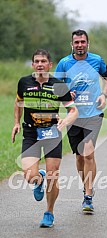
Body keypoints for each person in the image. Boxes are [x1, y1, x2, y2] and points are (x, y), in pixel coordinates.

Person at [11, 49, 78, 227]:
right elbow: (18, 103)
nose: (40, 64)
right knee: (29, 175)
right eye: (37, 61)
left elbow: (73, 110)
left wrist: (65, 122)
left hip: (51, 133)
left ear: (50, 64)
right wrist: (16, 123)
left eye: (43, 61)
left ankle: (49, 212)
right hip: (31, 133)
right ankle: (38, 180)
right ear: (33, 64)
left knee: (53, 175)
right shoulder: (24, 82)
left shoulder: (59, 85)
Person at [54, 29, 107, 213]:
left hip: (94, 114)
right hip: (74, 115)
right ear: (72, 44)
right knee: (79, 156)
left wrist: (103, 95)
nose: (80, 45)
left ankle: (88, 195)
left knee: (88, 154)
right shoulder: (64, 63)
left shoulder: (97, 60)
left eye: (83, 42)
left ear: (88, 44)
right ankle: (86, 185)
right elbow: (55, 87)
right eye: (76, 42)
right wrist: (65, 94)